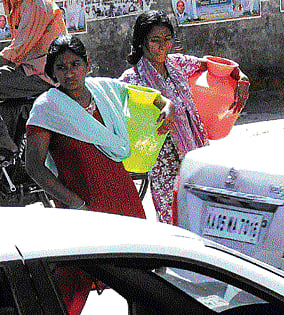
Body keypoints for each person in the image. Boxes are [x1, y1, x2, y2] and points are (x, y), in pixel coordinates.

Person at [25, 34, 174, 313]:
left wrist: (168, 107)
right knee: (72, 286)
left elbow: (152, 99)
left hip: (123, 199)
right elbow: (34, 167)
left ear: (87, 64)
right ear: (51, 72)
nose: (69, 73)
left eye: (75, 64)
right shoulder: (47, 108)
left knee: (141, 282)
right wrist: (73, 202)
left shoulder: (105, 91)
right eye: (61, 67)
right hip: (83, 207)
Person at [119, 10, 250, 224]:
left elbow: (214, 66)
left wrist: (241, 77)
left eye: (168, 39)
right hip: (164, 165)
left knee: (203, 220)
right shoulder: (132, 79)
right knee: (173, 224)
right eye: (155, 40)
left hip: (195, 155)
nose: (163, 46)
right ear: (141, 41)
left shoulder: (178, 64)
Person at [0, 0, 67, 155]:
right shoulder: (14, 5)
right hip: (30, 69)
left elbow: (16, 51)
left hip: (43, 73)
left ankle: (3, 141)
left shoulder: (34, 4)